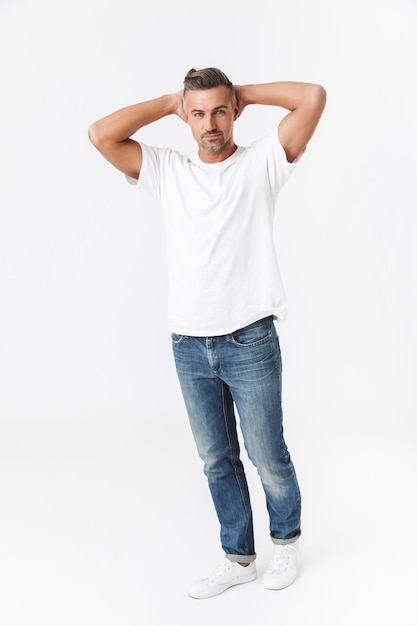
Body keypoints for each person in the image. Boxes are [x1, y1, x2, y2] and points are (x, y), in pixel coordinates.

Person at [88, 67, 326, 599]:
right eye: (198, 114)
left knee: (268, 454)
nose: (209, 123)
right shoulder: (167, 169)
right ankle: (239, 558)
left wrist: (245, 93)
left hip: (250, 338)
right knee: (216, 458)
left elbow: (312, 97)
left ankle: (285, 542)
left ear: (235, 111)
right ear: (185, 118)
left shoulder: (262, 162)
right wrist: (172, 100)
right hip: (188, 342)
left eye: (220, 110)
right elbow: (101, 134)